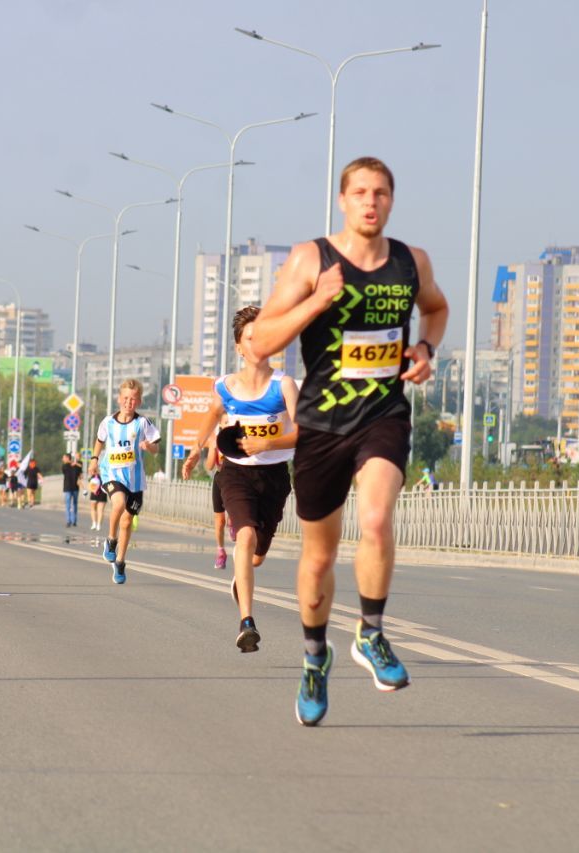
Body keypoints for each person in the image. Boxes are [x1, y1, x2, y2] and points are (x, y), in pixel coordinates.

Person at [250, 156, 448, 726]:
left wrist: (425, 349)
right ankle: (316, 657)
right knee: (318, 558)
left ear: (391, 201)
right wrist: (318, 299)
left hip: (383, 413)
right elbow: (262, 340)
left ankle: (372, 633)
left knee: (379, 519)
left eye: (381, 193)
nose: (371, 202)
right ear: (342, 200)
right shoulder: (312, 259)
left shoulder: (411, 262)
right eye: (360, 192)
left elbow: (435, 308)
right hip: (321, 425)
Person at [184, 305, 299, 653]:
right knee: (244, 535)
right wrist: (195, 449)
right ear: (239, 347)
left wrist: (269, 441)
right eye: (251, 338)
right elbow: (211, 414)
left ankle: (242, 574)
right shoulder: (225, 386)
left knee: (256, 555)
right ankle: (247, 621)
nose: (259, 343)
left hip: (275, 476)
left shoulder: (284, 385)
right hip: (235, 473)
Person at [93, 378, 160, 584]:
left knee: (128, 520)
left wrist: (149, 447)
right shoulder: (108, 422)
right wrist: (94, 460)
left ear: (138, 402)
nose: (128, 402)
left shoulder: (142, 423)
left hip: (135, 480)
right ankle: (111, 541)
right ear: (118, 399)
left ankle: (120, 562)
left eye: (133, 399)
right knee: (118, 503)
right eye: (125, 398)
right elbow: (99, 441)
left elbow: (156, 447)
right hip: (112, 473)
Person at [207, 440, 229, 570]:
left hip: (237, 478)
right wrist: (213, 448)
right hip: (220, 477)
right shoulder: (216, 439)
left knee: (234, 518)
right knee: (220, 521)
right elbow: (209, 466)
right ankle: (221, 551)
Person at [61, 452, 82, 527]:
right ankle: (68, 520)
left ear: (67, 458)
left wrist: (75, 463)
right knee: (68, 505)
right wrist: (72, 463)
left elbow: (80, 470)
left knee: (75, 504)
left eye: (64, 458)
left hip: (75, 487)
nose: (63, 459)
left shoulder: (77, 466)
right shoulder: (65, 466)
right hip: (67, 488)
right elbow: (64, 469)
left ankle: (74, 521)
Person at [87, 460, 106, 530]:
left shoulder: (92, 476)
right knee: (100, 510)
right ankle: (98, 524)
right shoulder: (104, 474)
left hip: (94, 493)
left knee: (93, 509)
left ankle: (94, 523)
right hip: (103, 493)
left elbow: (90, 485)